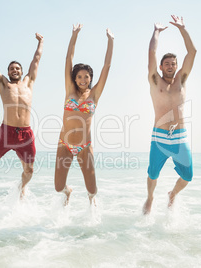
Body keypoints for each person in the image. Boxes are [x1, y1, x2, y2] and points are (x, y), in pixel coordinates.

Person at [0, 32, 44, 197]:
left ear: (21, 71)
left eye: (17, 68)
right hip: (7, 131)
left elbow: (37, 59)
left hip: (25, 133)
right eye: (12, 68)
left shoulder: (29, 82)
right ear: (8, 71)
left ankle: (21, 187)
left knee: (30, 169)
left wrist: (40, 42)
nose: (15, 70)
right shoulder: (3, 84)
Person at [54, 24, 114, 205]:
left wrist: (111, 41)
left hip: (84, 147)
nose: (82, 80)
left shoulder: (94, 95)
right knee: (58, 187)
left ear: (90, 78)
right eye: (79, 76)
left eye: (86, 76)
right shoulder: (69, 91)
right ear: (74, 78)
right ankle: (68, 192)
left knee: (92, 190)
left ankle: (91, 201)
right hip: (64, 144)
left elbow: (107, 66)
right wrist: (74, 35)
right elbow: (68, 59)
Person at [143, 15, 197, 214]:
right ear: (161, 66)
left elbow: (192, 52)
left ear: (177, 66)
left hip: (179, 138)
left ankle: (172, 193)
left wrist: (182, 28)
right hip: (159, 138)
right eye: (167, 63)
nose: (170, 66)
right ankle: (150, 198)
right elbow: (151, 52)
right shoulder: (155, 81)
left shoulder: (181, 81)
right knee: (152, 174)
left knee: (188, 176)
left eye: (173, 63)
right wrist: (156, 32)